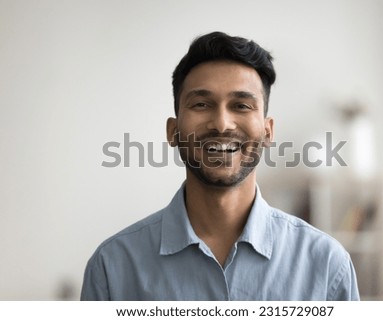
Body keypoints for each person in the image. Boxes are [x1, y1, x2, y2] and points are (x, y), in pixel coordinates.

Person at [81, 31, 360, 301]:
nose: (222, 124)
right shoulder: (111, 268)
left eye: (241, 106)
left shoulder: (327, 266)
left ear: (267, 131)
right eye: (201, 104)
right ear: (173, 131)